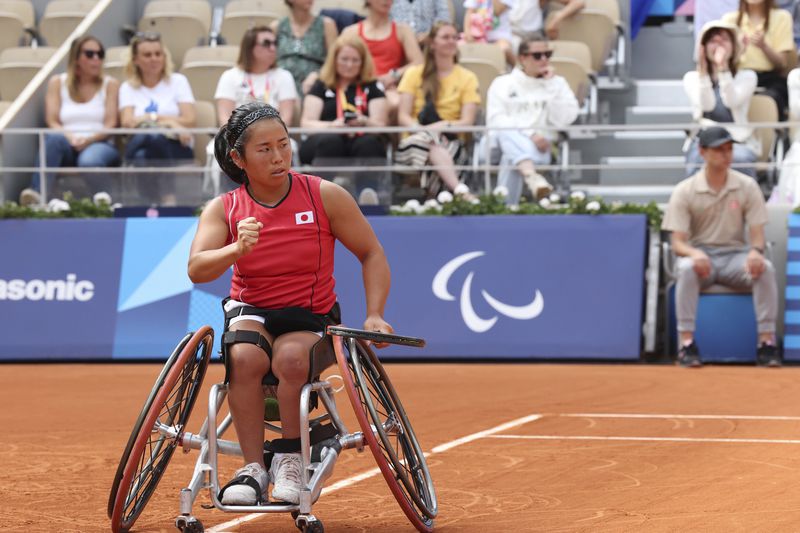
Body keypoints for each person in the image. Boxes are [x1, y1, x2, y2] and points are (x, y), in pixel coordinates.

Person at [187, 102, 393, 506]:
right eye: (264, 149)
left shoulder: (324, 196)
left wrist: (375, 314)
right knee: (243, 357)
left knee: (292, 360)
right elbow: (197, 269)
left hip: (309, 314)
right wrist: (236, 248)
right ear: (238, 158)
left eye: (283, 144)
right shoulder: (224, 208)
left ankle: (290, 460)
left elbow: (372, 253)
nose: (278, 156)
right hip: (252, 310)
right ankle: (251, 469)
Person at [662, 126, 780, 368]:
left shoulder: (747, 186)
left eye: (729, 149)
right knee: (685, 269)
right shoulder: (685, 191)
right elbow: (678, 243)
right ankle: (687, 345)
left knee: (765, 268)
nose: (726, 155)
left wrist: (755, 253)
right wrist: (696, 253)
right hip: (701, 258)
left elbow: (757, 236)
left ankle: (766, 344)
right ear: (702, 152)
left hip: (736, 258)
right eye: (719, 150)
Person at [23, 35, 120, 203]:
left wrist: (89, 140)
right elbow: (52, 120)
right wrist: (70, 137)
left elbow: (111, 124)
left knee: (89, 161)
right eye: (90, 54)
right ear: (76, 58)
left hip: (100, 144)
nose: (96, 59)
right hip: (67, 142)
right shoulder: (57, 82)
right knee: (53, 139)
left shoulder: (110, 84)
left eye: (100, 54)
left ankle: (107, 201)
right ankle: (37, 196)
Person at [485, 36, 579, 204]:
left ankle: (507, 210)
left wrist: (550, 87)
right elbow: (496, 120)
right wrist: (531, 134)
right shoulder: (502, 83)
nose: (544, 59)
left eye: (547, 54)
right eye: (537, 55)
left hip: (539, 149)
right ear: (522, 58)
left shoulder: (558, 84)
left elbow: (565, 119)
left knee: (512, 157)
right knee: (505, 135)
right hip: (495, 148)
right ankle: (530, 176)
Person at [396, 21, 480, 198]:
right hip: (414, 140)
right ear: (432, 43)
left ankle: (435, 199)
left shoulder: (467, 77)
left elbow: (467, 121)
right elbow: (403, 116)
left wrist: (441, 126)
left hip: (451, 141)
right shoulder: (413, 73)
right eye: (445, 37)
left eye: (454, 37)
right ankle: (459, 191)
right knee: (429, 142)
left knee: (436, 148)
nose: (451, 41)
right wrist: (424, 131)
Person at [299, 33, 388, 201]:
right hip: (326, 140)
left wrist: (364, 121)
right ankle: (320, 195)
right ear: (334, 60)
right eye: (344, 59)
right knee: (331, 141)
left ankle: (367, 193)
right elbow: (306, 123)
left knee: (369, 143)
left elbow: (381, 125)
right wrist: (332, 126)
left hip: (360, 138)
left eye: (355, 60)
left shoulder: (373, 86)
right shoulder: (321, 84)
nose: (349, 65)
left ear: (363, 62)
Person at [119, 32, 196, 205]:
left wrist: (149, 120)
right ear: (136, 60)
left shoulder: (178, 81)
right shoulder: (128, 87)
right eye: (147, 55)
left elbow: (190, 120)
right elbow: (127, 123)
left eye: (158, 54)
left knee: (144, 149)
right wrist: (168, 121)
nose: (154, 59)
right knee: (149, 143)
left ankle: (147, 204)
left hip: (176, 146)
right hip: (144, 143)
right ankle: (167, 198)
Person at [683, 20, 759, 178]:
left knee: (741, 160)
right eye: (712, 40)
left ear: (734, 46)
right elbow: (707, 106)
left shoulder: (747, 76)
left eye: (724, 39)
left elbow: (731, 102)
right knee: (698, 160)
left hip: (737, 141)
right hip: (704, 139)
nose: (718, 45)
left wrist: (723, 69)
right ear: (702, 47)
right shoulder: (691, 78)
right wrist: (704, 73)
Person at [341, 0, 423, 117]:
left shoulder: (402, 30)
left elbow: (419, 62)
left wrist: (394, 74)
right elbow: (336, 63)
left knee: (396, 104)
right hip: (358, 87)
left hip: (389, 88)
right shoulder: (351, 32)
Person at [722, 0, 795, 118]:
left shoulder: (782, 17)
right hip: (738, 77)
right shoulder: (729, 20)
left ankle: (773, 134)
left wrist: (764, 46)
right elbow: (723, 63)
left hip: (769, 79)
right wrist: (740, 50)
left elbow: (782, 63)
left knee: (769, 101)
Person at [215, 26, 298, 127]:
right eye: (266, 43)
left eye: (275, 43)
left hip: (274, 137)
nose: (273, 48)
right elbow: (224, 119)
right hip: (237, 138)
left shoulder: (284, 76)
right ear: (250, 48)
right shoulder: (229, 76)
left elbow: (286, 119)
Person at [272, 0, 338, 96]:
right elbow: (269, 61)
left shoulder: (326, 24)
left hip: (315, 83)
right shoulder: (276, 26)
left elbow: (333, 60)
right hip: (281, 83)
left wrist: (317, 75)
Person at [462, 0, 516, 66]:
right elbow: (469, 13)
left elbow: (497, 11)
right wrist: (468, 35)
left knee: (503, 49)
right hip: (477, 36)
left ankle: (519, 70)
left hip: (500, 37)